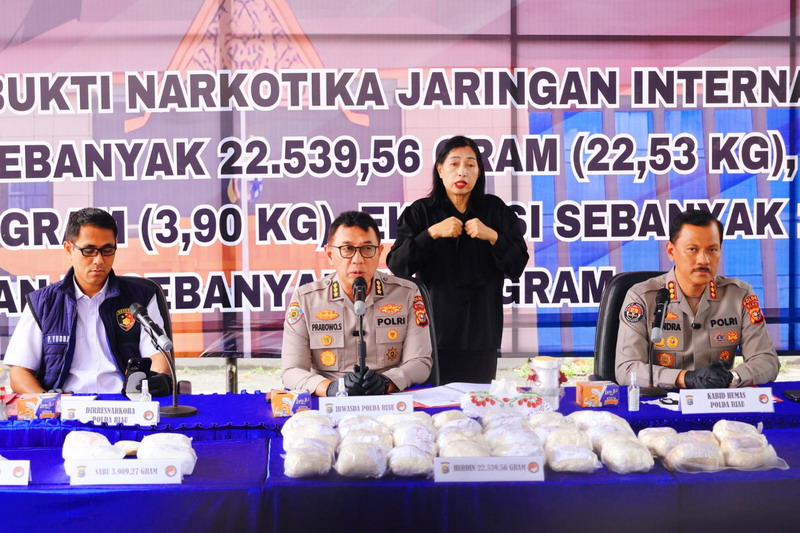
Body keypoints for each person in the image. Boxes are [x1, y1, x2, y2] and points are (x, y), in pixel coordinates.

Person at [387, 135, 529, 384]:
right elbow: (398, 266)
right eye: (454, 164)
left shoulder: (495, 210)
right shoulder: (420, 212)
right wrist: (431, 234)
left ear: (479, 172)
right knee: (435, 401)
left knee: (479, 401)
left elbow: (517, 265)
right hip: (434, 333)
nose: (462, 171)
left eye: (470, 164)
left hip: (482, 333)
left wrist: (493, 236)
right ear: (440, 170)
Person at [4, 207, 172, 395]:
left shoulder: (141, 297)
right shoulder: (43, 303)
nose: (99, 260)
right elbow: (19, 373)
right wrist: (49, 403)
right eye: (89, 250)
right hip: (66, 404)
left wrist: (155, 381)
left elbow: (159, 357)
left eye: (107, 250)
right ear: (69, 249)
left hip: (125, 401)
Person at [616, 209, 779, 389]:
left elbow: (767, 361)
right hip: (663, 399)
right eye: (692, 249)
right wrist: (685, 378)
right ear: (671, 251)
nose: (703, 260)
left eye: (712, 250)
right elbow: (626, 369)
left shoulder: (739, 295)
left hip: (718, 398)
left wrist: (732, 377)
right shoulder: (642, 297)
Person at [281, 210, 432, 396]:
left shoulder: (406, 294)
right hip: (330, 401)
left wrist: (388, 382)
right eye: (347, 249)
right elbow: (291, 371)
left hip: (388, 398)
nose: (358, 260)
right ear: (330, 254)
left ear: (379, 252)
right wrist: (330, 387)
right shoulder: (306, 299)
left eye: (367, 249)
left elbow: (420, 362)